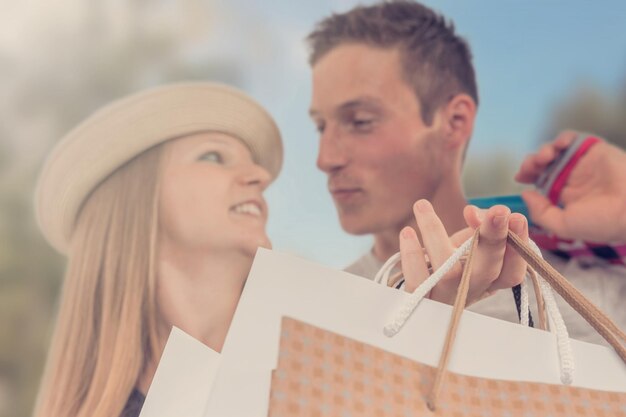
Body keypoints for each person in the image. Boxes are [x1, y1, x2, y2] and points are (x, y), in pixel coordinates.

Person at [32, 82, 526, 417]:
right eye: (213, 156)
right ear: (133, 204)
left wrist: (428, 328)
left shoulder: (326, 364)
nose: (260, 177)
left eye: (253, 164)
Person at [306, 0, 626, 344]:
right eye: (321, 126)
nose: (325, 159)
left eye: (360, 122)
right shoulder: (318, 313)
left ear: (454, 123)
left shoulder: (589, 288)